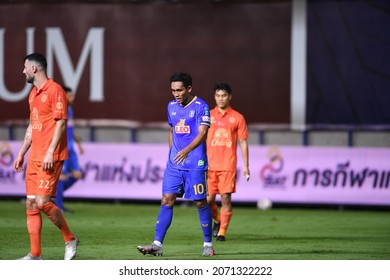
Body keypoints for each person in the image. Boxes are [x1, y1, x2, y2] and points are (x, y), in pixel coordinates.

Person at [137, 72, 214, 257]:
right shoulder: (171, 106)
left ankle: (208, 244)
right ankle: (157, 244)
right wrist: (172, 152)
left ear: (189, 88)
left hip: (195, 163)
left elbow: (202, 133)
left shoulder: (201, 106)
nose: (176, 94)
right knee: (166, 199)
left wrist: (185, 151)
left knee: (200, 201)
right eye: (173, 90)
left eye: (179, 90)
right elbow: (172, 130)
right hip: (175, 164)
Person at [13, 53, 79, 260]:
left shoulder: (55, 91)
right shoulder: (33, 94)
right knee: (31, 204)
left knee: (42, 202)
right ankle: (35, 254)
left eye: (25, 67)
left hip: (51, 156)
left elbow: (60, 123)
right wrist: (22, 152)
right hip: (34, 156)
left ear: (34, 69)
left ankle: (70, 239)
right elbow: (33, 126)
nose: (23, 71)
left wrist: (50, 151)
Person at [206, 82, 250, 242]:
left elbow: (243, 142)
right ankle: (217, 219)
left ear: (229, 96)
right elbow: (200, 138)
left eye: (224, 95)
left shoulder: (237, 118)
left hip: (227, 165)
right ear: (214, 97)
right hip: (209, 165)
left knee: (225, 198)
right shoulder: (207, 115)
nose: (221, 99)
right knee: (208, 200)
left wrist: (246, 166)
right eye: (218, 95)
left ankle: (222, 232)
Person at [55, 85, 84, 213]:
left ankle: (54, 197)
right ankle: (59, 207)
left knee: (77, 175)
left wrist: (79, 144)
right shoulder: (59, 110)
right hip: (62, 147)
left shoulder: (70, 109)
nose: (73, 97)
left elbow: (70, 129)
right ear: (64, 95)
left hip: (71, 149)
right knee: (62, 176)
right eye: (70, 95)